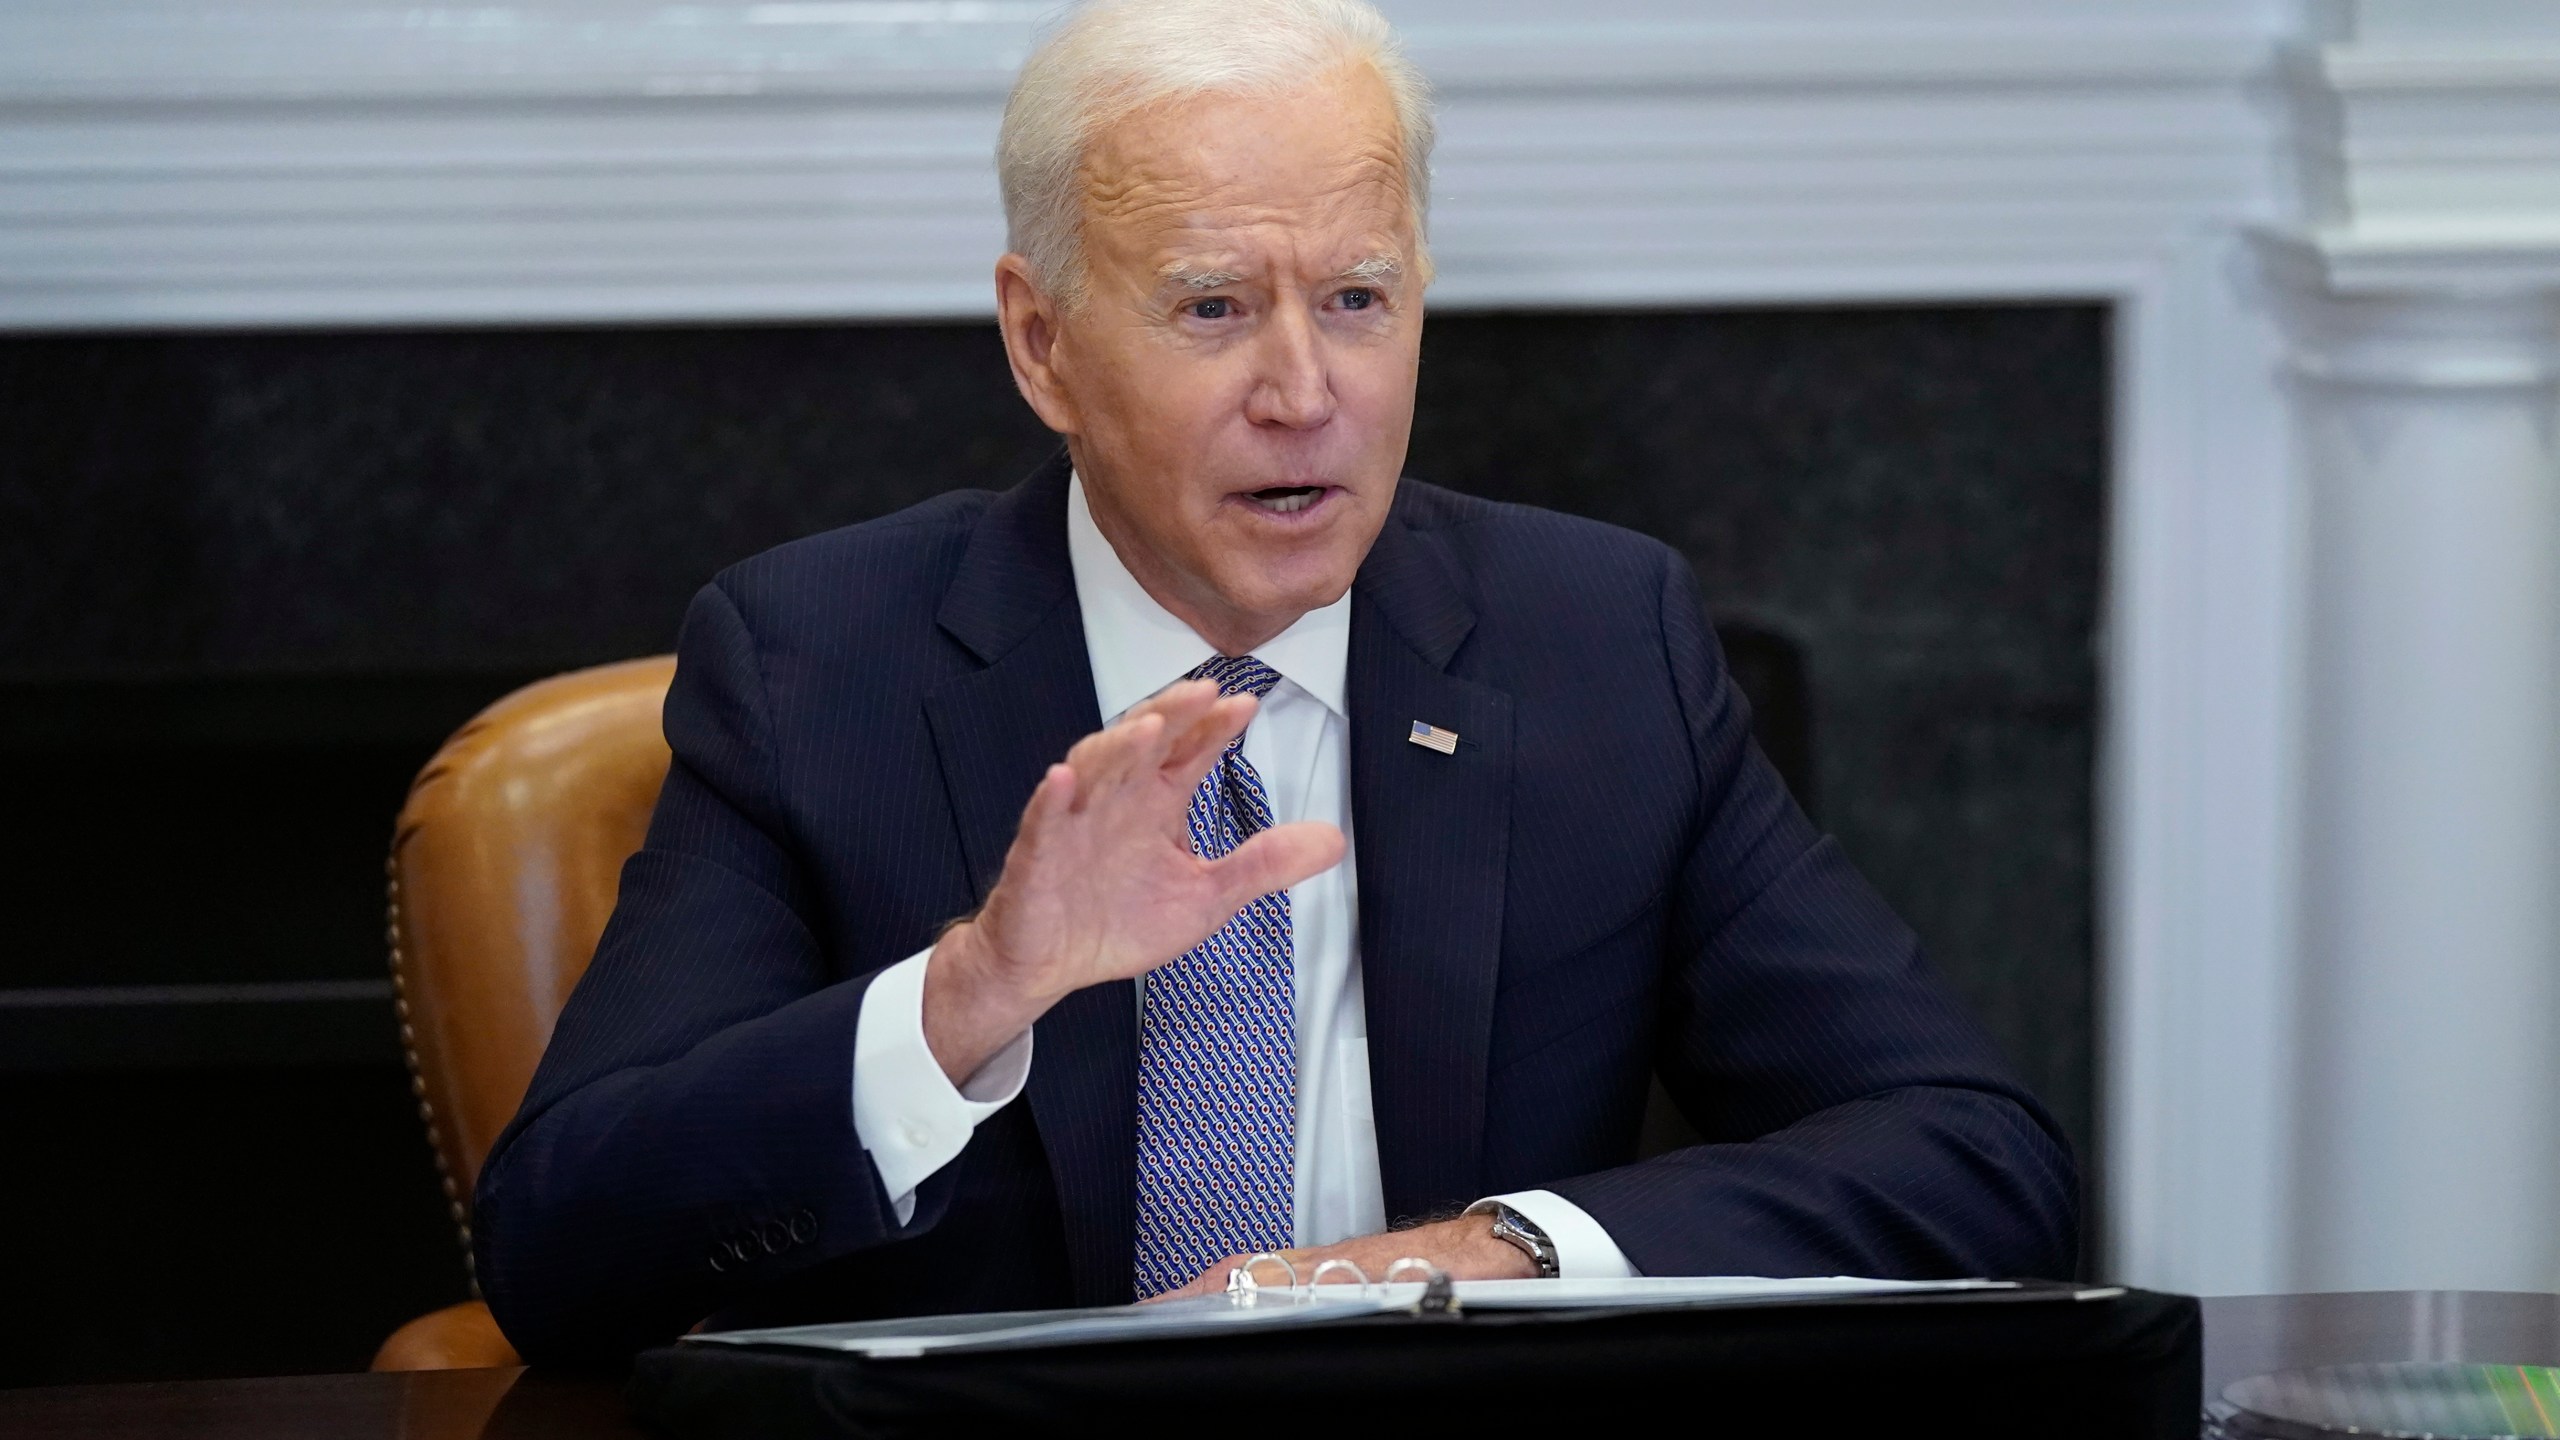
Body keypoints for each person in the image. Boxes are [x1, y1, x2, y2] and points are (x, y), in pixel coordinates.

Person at [472, 0, 2078, 1362]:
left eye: (1358, 301)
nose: (1304, 393)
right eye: (1214, 308)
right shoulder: (820, 664)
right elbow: (556, 1256)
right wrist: (970, 998)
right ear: (1043, 346)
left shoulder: (1597, 639)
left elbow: (1971, 1155)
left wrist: (1471, 1259)